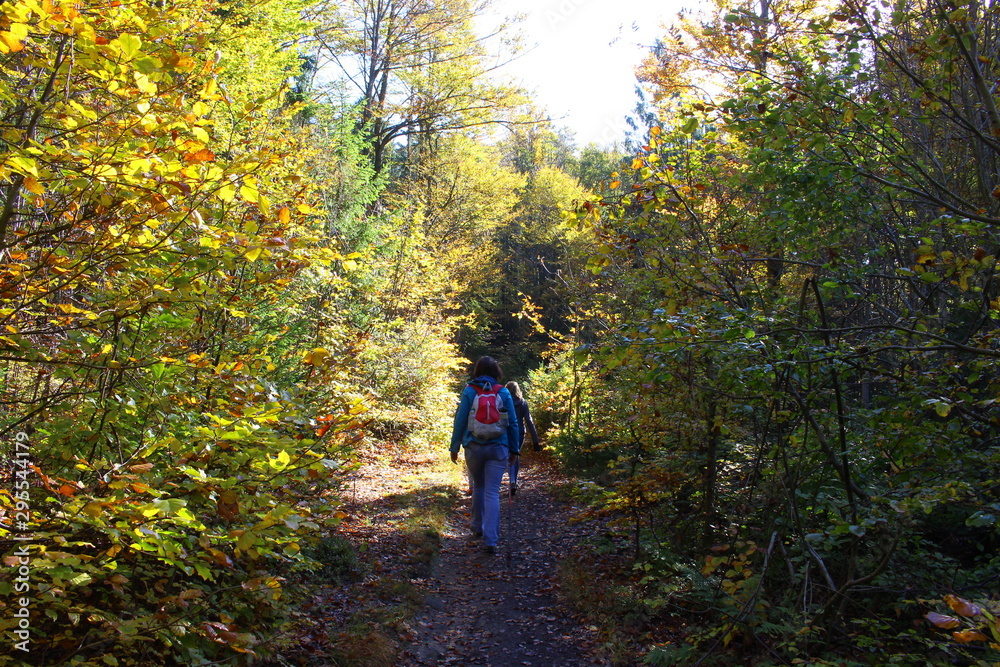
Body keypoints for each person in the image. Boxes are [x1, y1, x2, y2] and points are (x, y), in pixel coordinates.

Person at [450, 356, 519, 555]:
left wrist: (454, 447)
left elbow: (461, 420)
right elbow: (512, 423)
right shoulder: (503, 392)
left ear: (477, 371)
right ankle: (491, 540)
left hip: (473, 446)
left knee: (478, 486)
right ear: (496, 371)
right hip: (498, 447)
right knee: (492, 492)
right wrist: (514, 450)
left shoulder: (469, 391)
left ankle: (476, 526)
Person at [505, 380, 540, 496]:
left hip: (507, 432)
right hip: (520, 433)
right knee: (516, 454)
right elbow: (529, 421)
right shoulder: (523, 402)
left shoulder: (504, 401)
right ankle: (514, 480)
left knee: (509, 456)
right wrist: (535, 441)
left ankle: (512, 481)